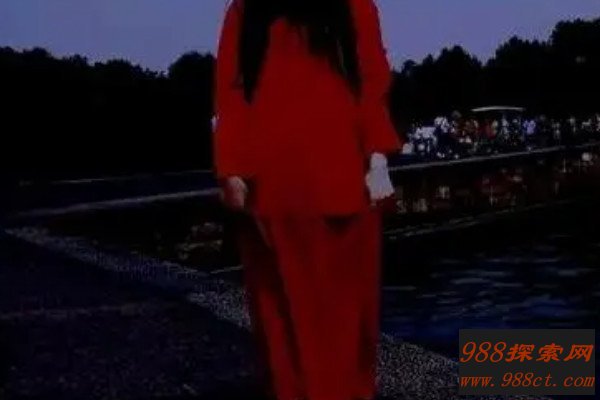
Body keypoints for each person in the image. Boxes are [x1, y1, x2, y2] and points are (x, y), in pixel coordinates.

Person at [213, 0, 403, 399]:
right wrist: (231, 167)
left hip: (314, 182)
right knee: (313, 320)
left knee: (305, 319)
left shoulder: (251, 10)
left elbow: (371, 80)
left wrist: (377, 157)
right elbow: (231, 90)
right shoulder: (248, 11)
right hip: (293, 184)